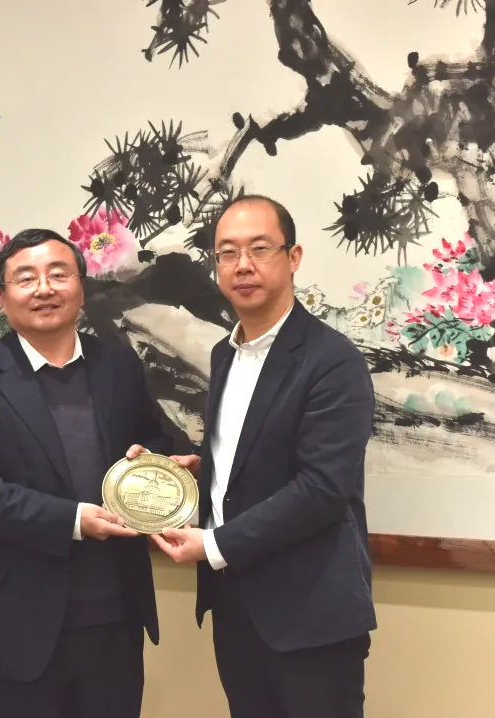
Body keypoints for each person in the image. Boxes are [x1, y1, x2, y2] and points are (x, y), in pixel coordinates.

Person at [0, 228, 174, 718]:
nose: (44, 288)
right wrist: (74, 520)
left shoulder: (119, 365)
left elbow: (155, 442)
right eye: (26, 278)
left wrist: (160, 464)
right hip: (13, 624)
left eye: (58, 274)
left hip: (115, 618)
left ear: (81, 287)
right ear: (2, 297)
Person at [151, 195, 377, 718]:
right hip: (237, 605)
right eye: (227, 253)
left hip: (309, 614)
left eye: (259, 249)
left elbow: (322, 488)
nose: (242, 265)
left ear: (293, 257)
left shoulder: (333, 360)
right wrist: (202, 471)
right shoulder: (225, 354)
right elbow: (257, 453)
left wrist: (214, 544)